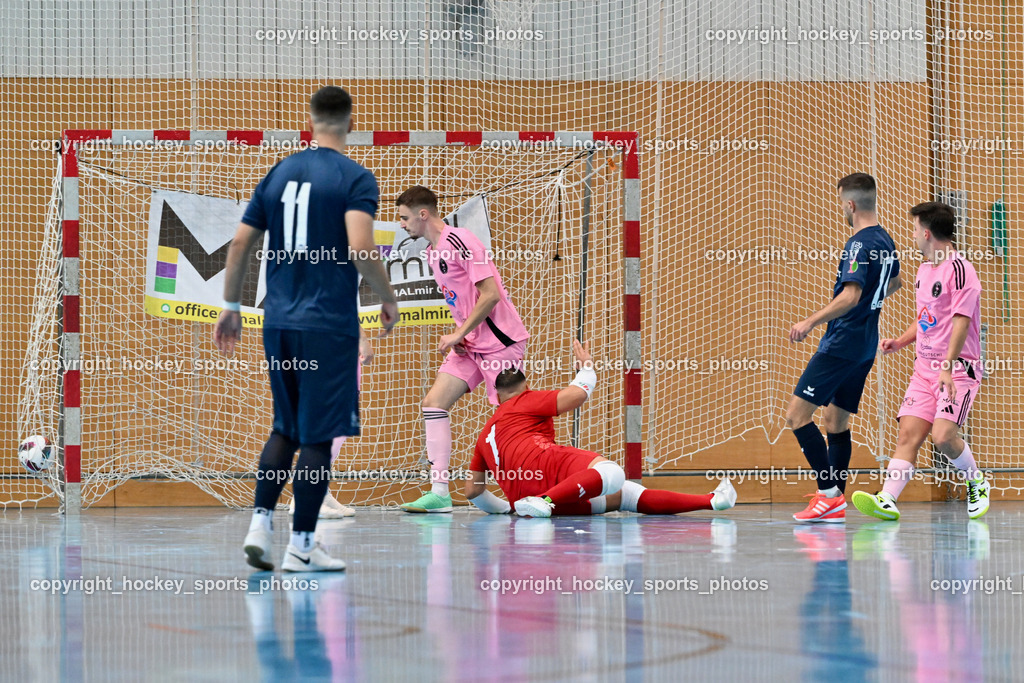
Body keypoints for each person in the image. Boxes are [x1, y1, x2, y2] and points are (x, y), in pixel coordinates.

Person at [215, 86, 398, 571]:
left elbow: (238, 246)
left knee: (285, 428)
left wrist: (230, 304)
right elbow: (360, 247)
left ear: (310, 122)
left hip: (277, 323)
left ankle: (259, 524)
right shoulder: (354, 177)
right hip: (327, 326)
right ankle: (301, 546)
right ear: (350, 123)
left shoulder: (279, 172)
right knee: (317, 439)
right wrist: (387, 297)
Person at [464, 339, 737, 517]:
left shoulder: (484, 435)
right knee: (612, 472)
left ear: (496, 395)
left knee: (625, 495)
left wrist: (506, 509)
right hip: (546, 472)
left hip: (534, 497)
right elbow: (577, 395)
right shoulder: (526, 399)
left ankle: (712, 500)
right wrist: (587, 369)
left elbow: (473, 492)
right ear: (525, 386)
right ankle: (545, 501)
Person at [395, 186, 529, 513]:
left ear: (423, 214)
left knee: (510, 422)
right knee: (433, 403)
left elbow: (491, 294)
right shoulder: (431, 252)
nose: (401, 225)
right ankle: (440, 493)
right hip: (471, 347)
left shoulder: (461, 240)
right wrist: (463, 338)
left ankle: (530, 492)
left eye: (404, 217)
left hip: (500, 343)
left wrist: (458, 333)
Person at [853, 201, 989, 520]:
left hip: (957, 371)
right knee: (907, 435)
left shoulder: (960, 270)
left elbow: (961, 322)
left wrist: (946, 367)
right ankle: (887, 498)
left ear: (926, 233)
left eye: (915, 229)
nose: (913, 235)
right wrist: (901, 340)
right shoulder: (924, 270)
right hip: (924, 372)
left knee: (943, 437)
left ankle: (977, 482)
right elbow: (927, 318)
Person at [786, 173, 902, 523]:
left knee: (796, 416)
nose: (841, 209)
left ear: (849, 204)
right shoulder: (885, 240)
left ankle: (828, 493)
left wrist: (810, 321)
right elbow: (894, 281)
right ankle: (834, 500)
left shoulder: (857, 244)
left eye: (841, 203)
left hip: (841, 343)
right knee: (835, 420)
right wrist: (870, 305)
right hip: (864, 346)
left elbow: (850, 295)